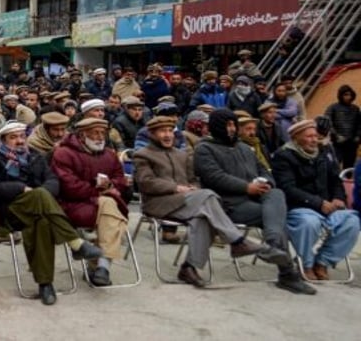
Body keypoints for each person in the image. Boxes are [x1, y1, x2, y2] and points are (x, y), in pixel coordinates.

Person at [133, 116, 268, 288]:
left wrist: (193, 188)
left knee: (203, 217)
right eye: (162, 132)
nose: (167, 135)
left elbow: (193, 180)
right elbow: (146, 182)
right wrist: (176, 188)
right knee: (208, 196)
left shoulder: (182, 155)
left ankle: (189, 268)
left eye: (170, 131)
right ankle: (236, 241)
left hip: (186, 201)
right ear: (152, 134)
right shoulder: (143, 155)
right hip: (158, 203)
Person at [194, 109, 314, 294]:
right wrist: (246, 187)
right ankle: (288, 274)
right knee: (276, 218)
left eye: (234, 124)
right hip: (228, 205)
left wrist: (266, 182)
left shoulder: (244, 148)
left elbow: (264, 169)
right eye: (228, 125)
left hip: (256, 198)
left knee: (276, 194)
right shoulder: (204, 148)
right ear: (217, 126)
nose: (232, 129)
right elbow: (214, 177)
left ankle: (273, 244)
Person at [0, 122, 101, 305]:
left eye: (22, 136)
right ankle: (75, 242)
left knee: (42, 222)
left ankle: (45, 284)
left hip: (41, 209)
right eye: (13, 137)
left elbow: (53, 180)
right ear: (4, 140)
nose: (20, 141)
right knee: (39, 196)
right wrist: (22, 188)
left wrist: (41, 193)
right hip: (10, 211)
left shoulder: (35, 156)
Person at [272, 120, 360, 281]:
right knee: (309, 223)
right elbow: (287, 188)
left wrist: (338, 198)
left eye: (315, 136)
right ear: (296, 138)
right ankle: (305, 264)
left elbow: (335, 180)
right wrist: (318, 203)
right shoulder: (283, 156)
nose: (314, 140)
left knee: (352, 222)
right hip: (299, 207)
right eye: (309, 136)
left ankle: (322, 262)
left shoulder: (324, 153)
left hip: (327, 206)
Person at [50, 118, 129, 286]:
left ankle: (99, 268)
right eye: (95, 133)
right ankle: (102, 267)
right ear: (82, 135)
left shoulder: (109, 154)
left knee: (110, 211)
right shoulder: (64, 153)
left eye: (103, 133)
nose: (100, 137)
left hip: (102, 205)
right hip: (72, 205)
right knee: (112, 211)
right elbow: (68, 187)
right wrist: (99, 189)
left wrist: (110, 185)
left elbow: (121, 180)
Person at [324, 85, 360, 169]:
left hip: (351, 143)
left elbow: (359, 124)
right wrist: (336, 135)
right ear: (340, 95)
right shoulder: (333, 108)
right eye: (346, 95)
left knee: (349, 168)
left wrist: (358, 136)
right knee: (334, 166)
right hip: (338, 143)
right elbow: (327, 122)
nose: (348, 97)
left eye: (350, 95)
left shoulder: (355, 109)